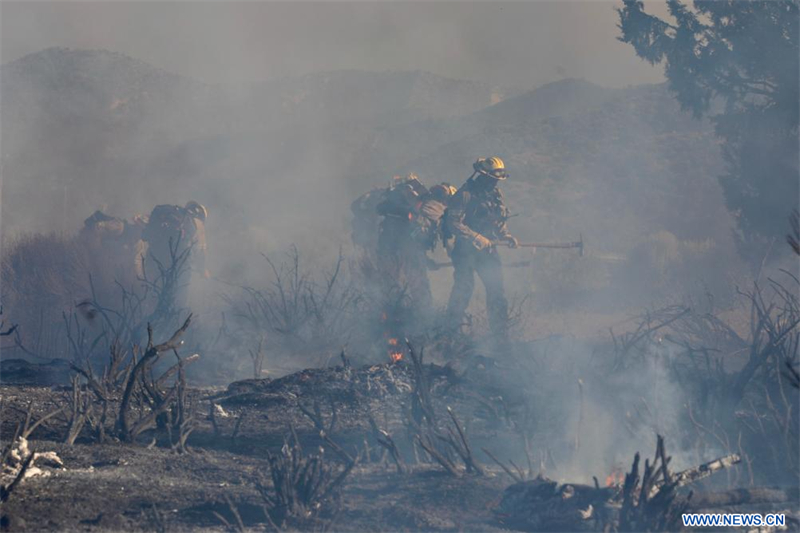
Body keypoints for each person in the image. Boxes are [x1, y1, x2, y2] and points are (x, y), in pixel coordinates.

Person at [444, 157, 518, 339]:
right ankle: (449, 333)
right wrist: (476, 237)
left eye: (497, 180)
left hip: (489, 251)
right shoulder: (464, 194)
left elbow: (498, 219)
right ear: (483, 176)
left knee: (496, 291)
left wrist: (505, 235)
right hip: (465, 251)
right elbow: (453, 223)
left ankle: (500, 335)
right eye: (492, 178)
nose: (495, 182)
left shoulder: (495, 194)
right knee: (464, 288)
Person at [138, 201, 209, 306]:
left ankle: (150, 317)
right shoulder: (197, 224)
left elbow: (144, 230)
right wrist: (203, 270)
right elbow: (200, 250)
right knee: (179, 294)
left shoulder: (166, 215)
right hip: (179, 264)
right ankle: (175, 318)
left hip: (154, 259)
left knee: (155, 292)